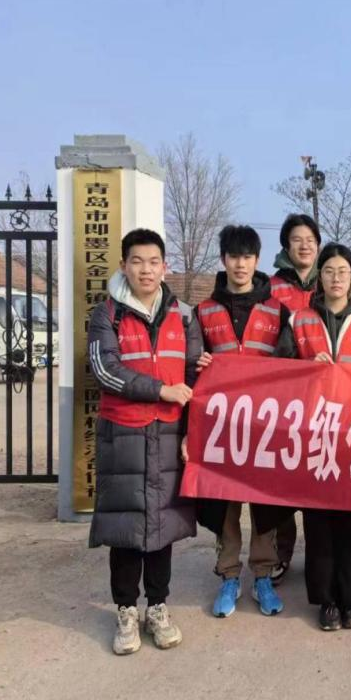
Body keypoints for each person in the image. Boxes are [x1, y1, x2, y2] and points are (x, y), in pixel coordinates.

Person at [87, 228, 203, 655]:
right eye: (137, 261)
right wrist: (159, 390)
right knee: (126, 527)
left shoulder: (183, 316)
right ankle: (125, 610)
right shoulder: (107, 315)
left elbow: (194, 374)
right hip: (124, 434)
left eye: (154, 262)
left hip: (169, 435)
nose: (146, 270)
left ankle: (157, 606)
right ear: (124, 265)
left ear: (165, 267)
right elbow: (105, 370)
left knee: (161, 527)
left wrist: (191, 430)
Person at [275, 243, 351, 631]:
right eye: (328, 271)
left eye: (343, 271)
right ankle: (326, 600)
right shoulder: (300, 321)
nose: (336, 278)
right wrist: (307, 368)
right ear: (318, 277)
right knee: (319, 520)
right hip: (313, 433)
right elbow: (279, 372)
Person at [194, 225, 288, 619]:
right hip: (221, 426)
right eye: (234, 256)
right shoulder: (203, 311)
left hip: (265, 426)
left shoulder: (277, 311)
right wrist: (198, 364)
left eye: (247, 256)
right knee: (225, 505)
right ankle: (229, 575)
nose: (240, 264)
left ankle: (263, 575)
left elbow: (291, 366)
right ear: (223, 260)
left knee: (265, 505)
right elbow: (189, 366)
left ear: (257, 260)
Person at [266, 213, 322, 582]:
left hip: (323, 398)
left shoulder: (331, 280)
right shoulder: (271, 288)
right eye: (297, 239)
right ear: (286, 245)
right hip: (285, 396)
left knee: (319, 478)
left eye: (310, 240)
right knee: (283, 481)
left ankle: (320, 555)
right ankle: (280, 552)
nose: (304, 246)